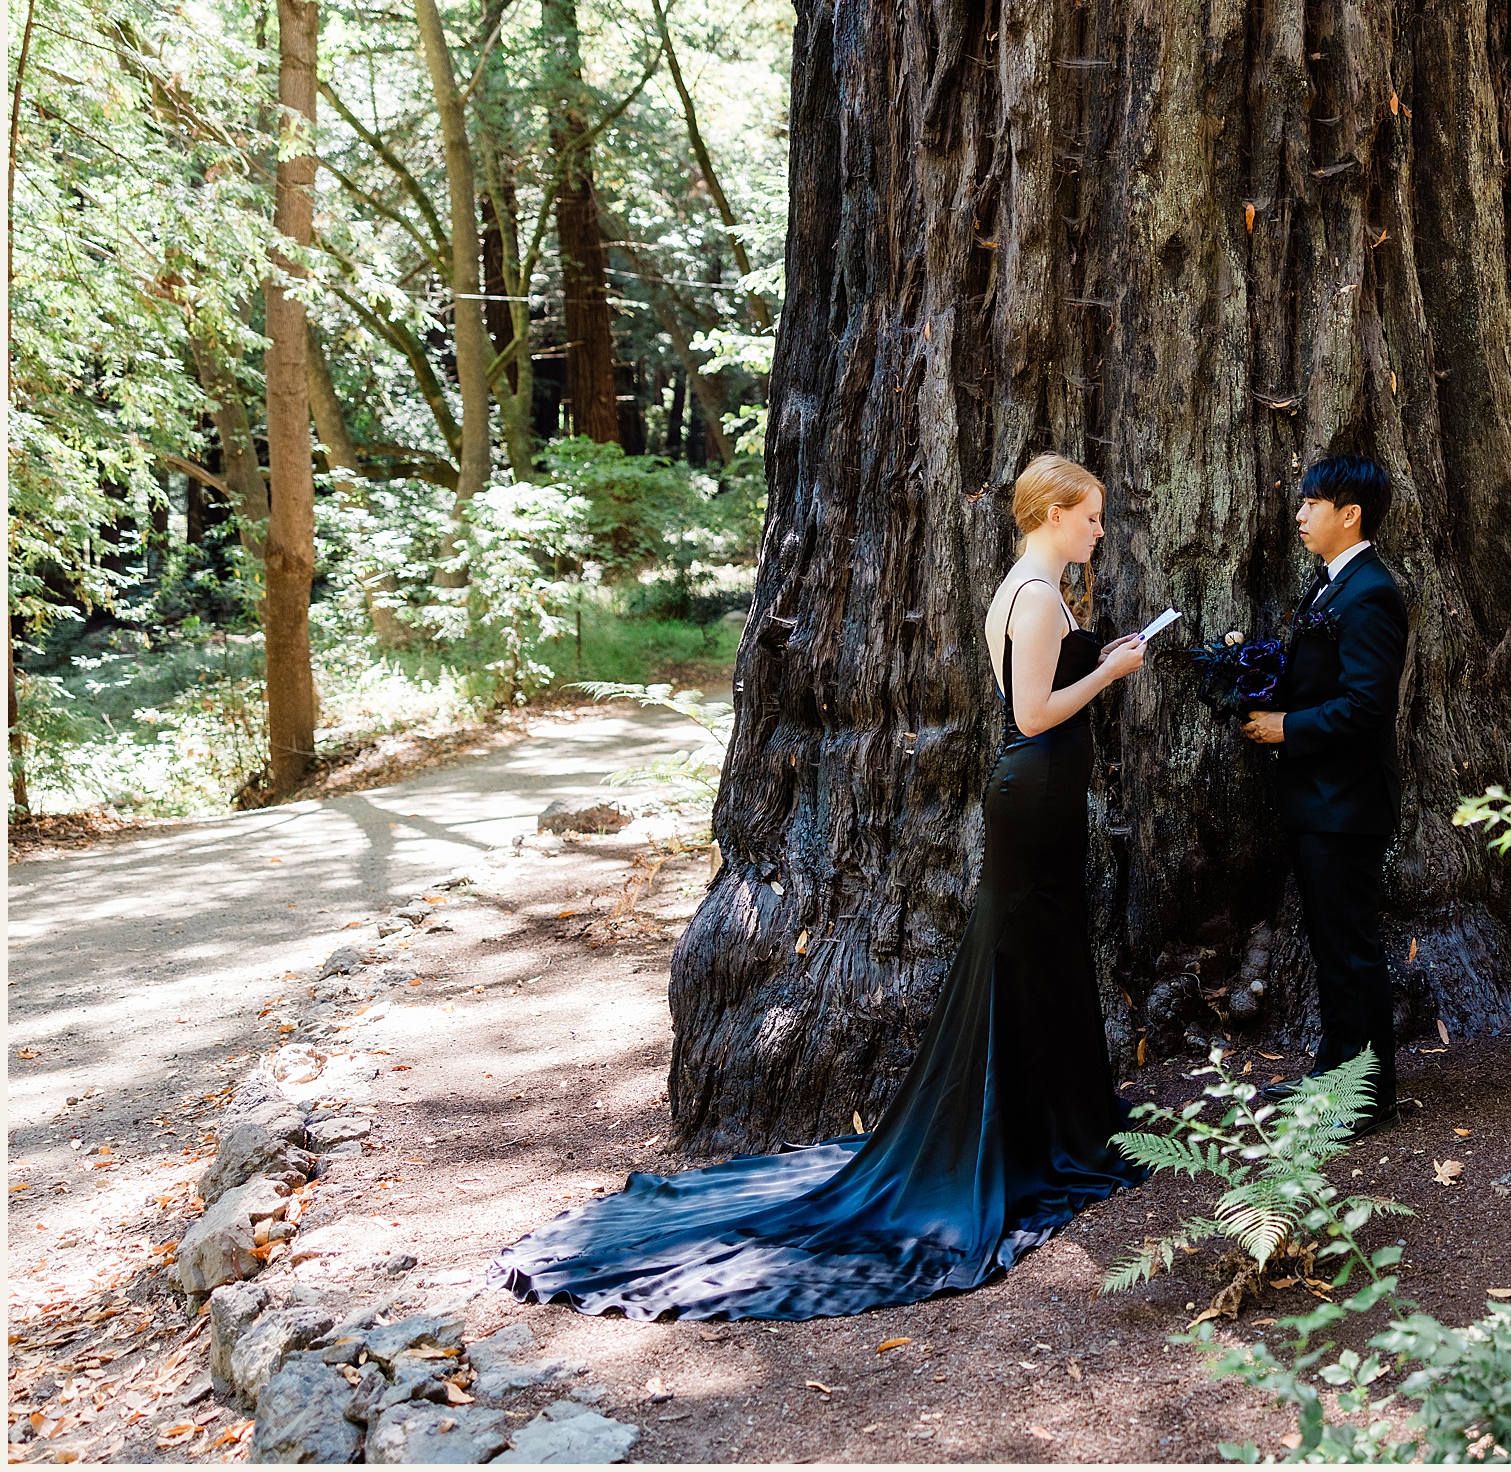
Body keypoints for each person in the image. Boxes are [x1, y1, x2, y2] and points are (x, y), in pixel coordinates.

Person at [497, 453, 1151, 1321]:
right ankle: (1016, 1135)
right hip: (1031, 792)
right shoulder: (1032, 596)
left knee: (1043, 954)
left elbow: (1039, 693)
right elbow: (1031, 714)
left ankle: (1051, 1123)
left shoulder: (1034, 590)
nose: (1100, 530)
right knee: (1021, 949)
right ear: (1054, 514)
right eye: (1092, 515)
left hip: (1042, 794)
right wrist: (1109, 672)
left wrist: (1095, 656)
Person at [1241, 455, 1410, 1136]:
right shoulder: (1328, 585)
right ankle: (1332, 1075)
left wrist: (1288, 726)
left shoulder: (1371, 592)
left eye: (1313, 503)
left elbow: (1368, 705)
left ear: (1351, 514)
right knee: (1330, 947)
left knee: (1352, 950)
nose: (1301, 514)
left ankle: (1369, 1096)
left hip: (1347, 802)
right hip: (1318, 798)